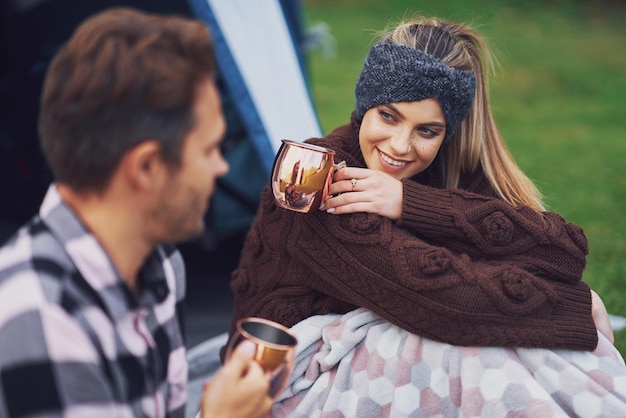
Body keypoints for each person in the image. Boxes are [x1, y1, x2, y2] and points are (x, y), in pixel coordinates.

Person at [226, 16, 626, 416]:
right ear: (364, 104)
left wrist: (409, 203)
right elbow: (447, 302)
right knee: (476, 354)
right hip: (279, 385)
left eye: (427, 131)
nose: (400, 147)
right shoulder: (317, 179)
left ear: (446, 131)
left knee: (518, 346)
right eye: (388, 115)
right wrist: (576, 305)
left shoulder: (439, 168)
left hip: (369, 356)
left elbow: (563, 252)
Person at [0, 8, 272, 418]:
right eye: (210, 149)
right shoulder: (40, 317)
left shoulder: (161, 265)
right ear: (146, 167)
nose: (223, 167)